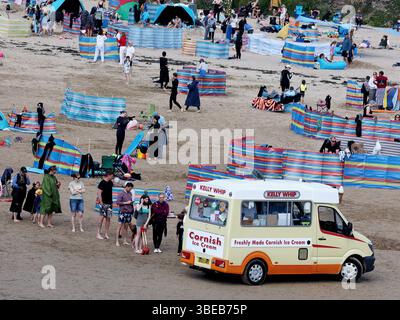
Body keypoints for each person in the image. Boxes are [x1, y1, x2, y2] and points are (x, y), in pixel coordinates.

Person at [115, 182, 134, 247]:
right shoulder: (121, 193)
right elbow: (117, 202)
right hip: (122, 212)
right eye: (130, 188)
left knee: (126, 227)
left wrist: (131, 203)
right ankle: (117, 241)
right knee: (119, 226)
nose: (130, 190)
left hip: (128, 212)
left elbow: (129, 202)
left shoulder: (130, 193)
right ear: (127, 187)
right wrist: (126, 202)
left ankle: (124, 241)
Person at [96, 171, 114, 240]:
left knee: (108, 219)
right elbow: (99, 193)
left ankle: (106, 233)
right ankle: (98, 233)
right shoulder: (102, 182)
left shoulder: (110, 182)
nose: (112, 177)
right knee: (101, 219)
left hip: (109, 203)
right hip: (103, 203)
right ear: (108, 175)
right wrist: (101, 202)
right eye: (112, 175)